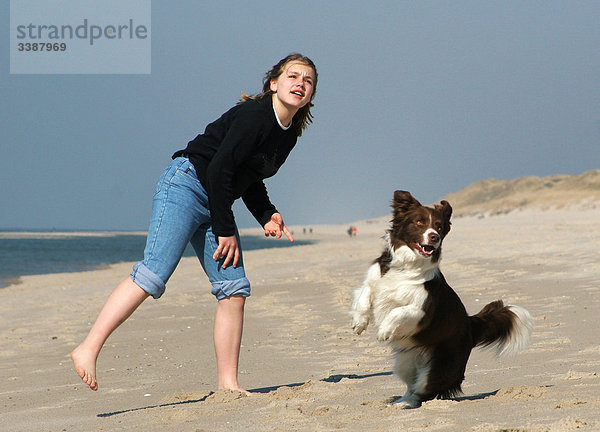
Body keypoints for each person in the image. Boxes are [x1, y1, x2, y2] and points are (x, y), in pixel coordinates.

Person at [71, 53, 318, 393]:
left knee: (234, 290)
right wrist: (225, 230)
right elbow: (219, 170)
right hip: (185, 185)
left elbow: (248, 175)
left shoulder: (286, 134)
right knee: (153, 273)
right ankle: (88, 348)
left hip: (215, 199)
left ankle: (228, 385)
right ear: (274, 83)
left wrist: (266, 214)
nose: (300, 84)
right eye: (293, 76)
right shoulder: (254, 116)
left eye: (307, 81)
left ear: (311, 95)